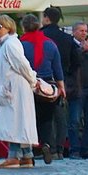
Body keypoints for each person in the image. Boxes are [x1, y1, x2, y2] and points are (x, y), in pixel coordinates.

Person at [0, 15, 42, 171]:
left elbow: (22, 65)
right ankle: (26, 155)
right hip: (10, 88)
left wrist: (32, 79)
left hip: (15, 89)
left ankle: (13, 156)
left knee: (14, 123)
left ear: (8, 27)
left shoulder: (11, 44)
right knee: (18, 122)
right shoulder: (4, 45)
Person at [21, 14, 63, 163]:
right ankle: (46, 144)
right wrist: (61, 88)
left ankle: (29, 151)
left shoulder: (20, 45)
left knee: (28, 120)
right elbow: (58, 69)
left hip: (27, 86)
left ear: (23, 27)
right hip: (47, 87)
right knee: (46, 119)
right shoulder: (50, 44)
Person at [38, 9, 79, 159]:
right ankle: (60, 149)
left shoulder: (41, 36)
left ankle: (50, 146)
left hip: (44, 79)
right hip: (64, 79)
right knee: (60, 115)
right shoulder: (67, 38)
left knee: (46, 116)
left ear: (47, 18)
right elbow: (77, 61)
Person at [63, 22, 88, 159]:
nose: (84, 33)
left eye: (85, 31)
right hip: (77, 90)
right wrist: (82, 49)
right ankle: (74, 150)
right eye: (81, 30)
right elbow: (72, 63)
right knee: (74, 121)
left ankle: (86, 150)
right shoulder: (70, 46)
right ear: (74, 32)